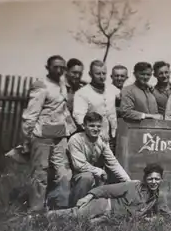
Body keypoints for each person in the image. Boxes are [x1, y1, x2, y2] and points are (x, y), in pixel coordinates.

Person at [21, 55, 77, 211]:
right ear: (48, 67)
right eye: (55, 67)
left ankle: (59, 208)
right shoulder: (41, 85)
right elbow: (30, 114)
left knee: (63, 172)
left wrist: (71, 129)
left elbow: (62, 110)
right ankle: (36, 209)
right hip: (42, 134)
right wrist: (27, 138)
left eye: (62, 67)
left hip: (59, 133)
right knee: (40, 173)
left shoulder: (62, 85)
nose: (59, 70)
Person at [48, 163, 171, 222]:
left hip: (111, 218)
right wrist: (87, 198)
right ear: (145, 179)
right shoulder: (132, 185)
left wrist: (152, 220)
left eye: (157, 179)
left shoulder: (158, 196)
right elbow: (105, 189)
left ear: (161, 179)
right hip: (103, 206)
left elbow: (165, 216)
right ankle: (39, 217)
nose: (154, 182)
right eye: (150, 178)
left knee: (84, 226)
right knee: (73, 215)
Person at [68, 112, 131, 206]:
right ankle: (75, 208)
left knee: (115, 176)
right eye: (91, 126)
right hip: (75, 175)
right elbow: (79, 166)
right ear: (84, 126)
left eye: (98, 126)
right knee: (87, 177)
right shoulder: (76, 139)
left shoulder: (101, 140)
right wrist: (100, 171)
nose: (95, 129)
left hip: (94, 174)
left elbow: (112, 162)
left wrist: (128, 181)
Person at [73, 60, 119, 146]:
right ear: (90, 74)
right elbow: (79, 118)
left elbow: (124, 95)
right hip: (92, 140)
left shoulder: (111, 89)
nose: (101, 77)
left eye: (104, 73)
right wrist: (96, 133)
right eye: (98, 74)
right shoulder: (82, 93)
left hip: (111, 137)